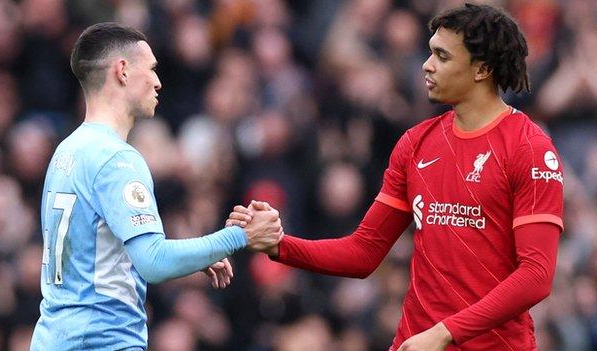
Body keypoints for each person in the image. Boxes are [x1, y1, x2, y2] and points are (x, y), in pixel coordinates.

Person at [228, 4, 563, 351]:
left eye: (442, 57)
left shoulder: (530, 149)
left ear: (482, 69)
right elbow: (363, 252)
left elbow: (536, 277)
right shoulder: (416, 143)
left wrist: (445, 332)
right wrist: (279, 245)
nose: (426, 64)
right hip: (415, 343)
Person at [30, 22, 282, 351]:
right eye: (150, 69)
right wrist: (241, 236)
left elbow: (98, 250)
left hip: (53, 338)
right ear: (122, 71)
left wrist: (198, 253)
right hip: (101, 341)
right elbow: (154, 261)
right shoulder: (118, 159)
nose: (158, 82)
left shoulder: (67, 151)